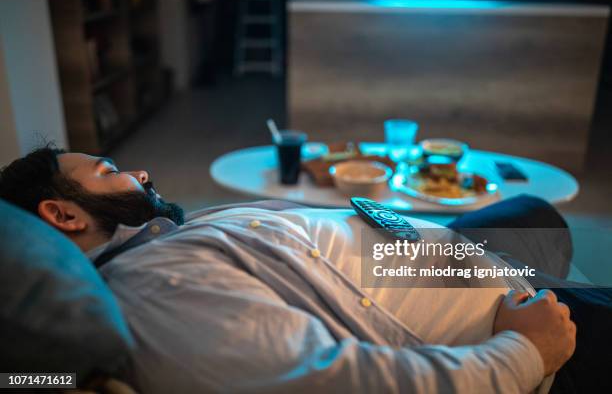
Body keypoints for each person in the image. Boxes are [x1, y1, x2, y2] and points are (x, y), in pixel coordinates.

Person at [0, 146, 606, 393]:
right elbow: (347, 382)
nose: (141, 175)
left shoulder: (164, 244)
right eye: (109, 171)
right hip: (536, 327)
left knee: (533, 208)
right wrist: (528, 351)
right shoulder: (155, 290)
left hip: (456, 263)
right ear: (63, 214)